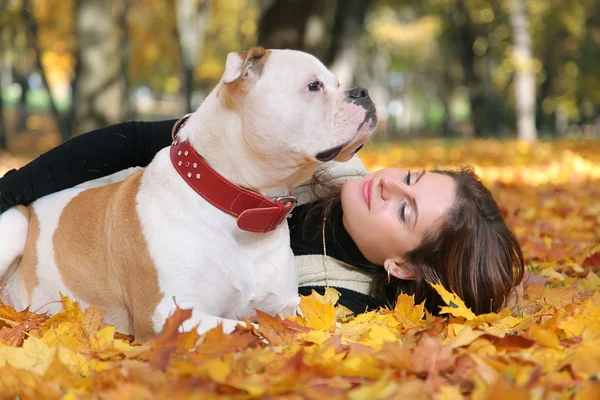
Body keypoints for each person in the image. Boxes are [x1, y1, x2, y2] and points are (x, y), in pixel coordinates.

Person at [0, 117, 524, 316]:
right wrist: (13, 190)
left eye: (404, 210)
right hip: (61, 227)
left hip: (107, 291)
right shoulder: (313, 151)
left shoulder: (330, 303)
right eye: (410, 178)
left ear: (403, 268)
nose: (386, 184)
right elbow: (135, 141)